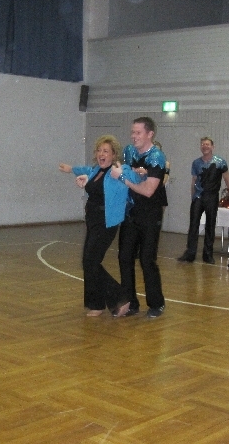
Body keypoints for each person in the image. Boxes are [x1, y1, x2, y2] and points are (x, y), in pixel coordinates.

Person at [59, 135, 140, 317]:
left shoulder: (118, 170)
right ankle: (96, 304)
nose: (101, 154)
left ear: (114, 155)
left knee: (91, 261)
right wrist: (73, 171)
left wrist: (139, 172)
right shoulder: (96, 171)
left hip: (106, 221)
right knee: (87, 262)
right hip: (93, 220)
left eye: (106, 151)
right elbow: (86, 170)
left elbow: (133, 178)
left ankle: (121, 299)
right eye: (99, 150)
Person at [109, 117, 167, 318]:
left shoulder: (157, 157)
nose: (133, 136)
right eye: (132, 132)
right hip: (131, 212)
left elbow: (148, 190)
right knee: (124, 257)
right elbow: (123, 170)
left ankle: (156, 304)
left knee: (147, 260)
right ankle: (130, 303)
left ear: (150, 134)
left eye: (138, 133)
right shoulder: (128, 151)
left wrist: (123, 178)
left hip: (150, 213)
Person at [177, 137, 229, 264]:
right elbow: (194, 180)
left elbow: (227, 180)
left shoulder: (220, 162)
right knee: (193, 225)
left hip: (211, 197)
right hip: (198, 197)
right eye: (203, 144)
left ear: (212, 147)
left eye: (207, 144)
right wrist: (193, 196)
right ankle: (190, 253)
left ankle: (208, 254)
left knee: (210, 226)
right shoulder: (196, 163)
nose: (205, 146)